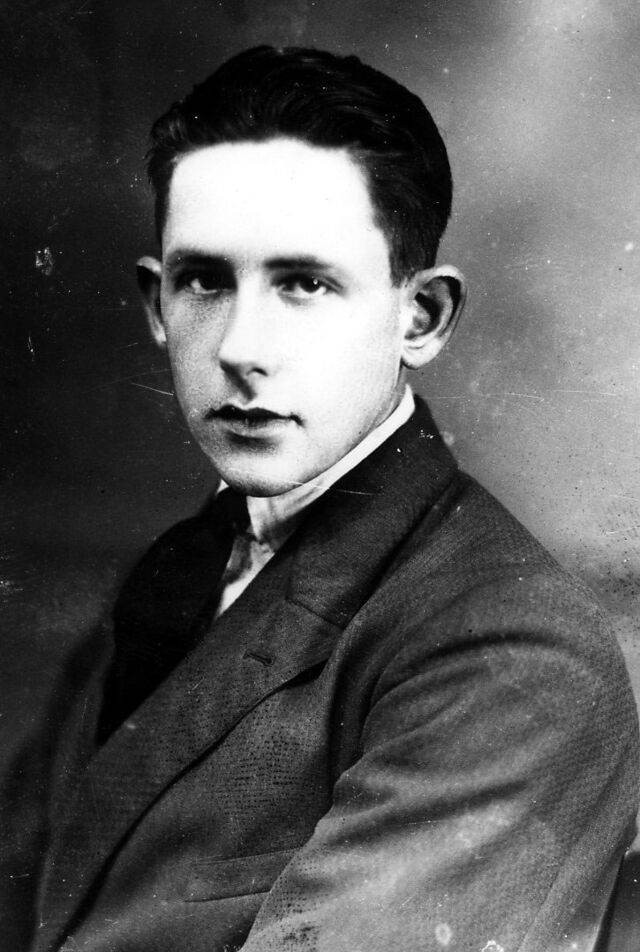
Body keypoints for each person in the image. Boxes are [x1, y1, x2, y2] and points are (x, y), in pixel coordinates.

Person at [2, 45, 638, 952]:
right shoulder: (178, 571)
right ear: (155, 305)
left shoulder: (516, 660)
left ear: (421, 318)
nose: (241, 347)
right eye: (204, 280)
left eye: (305, 283)